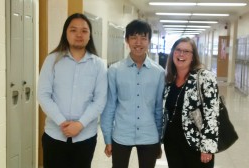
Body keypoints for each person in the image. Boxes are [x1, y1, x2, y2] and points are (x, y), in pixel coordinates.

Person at [37, 13, 107, 168]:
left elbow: (100, 100)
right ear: (65, 33)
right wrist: (62, 122)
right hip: (54, 135)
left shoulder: (98, 65)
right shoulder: (52, 60)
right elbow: (43, 95)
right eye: (73, 30)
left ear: (90, 35)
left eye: (84, 31)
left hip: (85, 137)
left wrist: (80, 125)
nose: (79, 35)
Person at [100, 19, 165, 168]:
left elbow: (158, 109)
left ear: (149, 41)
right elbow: (109, 106)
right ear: (127, 40)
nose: (138, 43)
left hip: (149, 135)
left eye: (143, 38)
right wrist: (107, 138)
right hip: (121, 134)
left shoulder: (159, 72)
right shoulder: (114, 71)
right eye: (134, 37)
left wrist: (159, 140)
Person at [163, 37, 219, 168]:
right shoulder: (170, 80)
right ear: (173, 53)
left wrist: (207, 147)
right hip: (172, 143)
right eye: (178, 50)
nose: (181, 54)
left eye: (186, 51)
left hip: (197, 145)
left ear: (193, 56)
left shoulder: (204, 77)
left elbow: (212, 114)